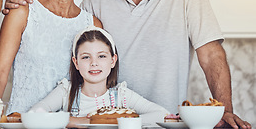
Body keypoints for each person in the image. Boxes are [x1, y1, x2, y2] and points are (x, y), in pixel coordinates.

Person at [2, 0, 251, 128]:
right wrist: (23, 3)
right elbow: (65, 24)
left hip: (162, 121)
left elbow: (211, 56)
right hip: (109, 123)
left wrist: (224, 110)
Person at [30, 26, 169, 127]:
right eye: (86, 57)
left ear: (113, 60)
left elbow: (163, 114)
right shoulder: (65, 92)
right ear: (76, 62)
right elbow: (34, 114)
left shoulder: (122, 95)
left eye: (101, 56)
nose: (94, 63)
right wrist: (81, 121)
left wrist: (116, 121)